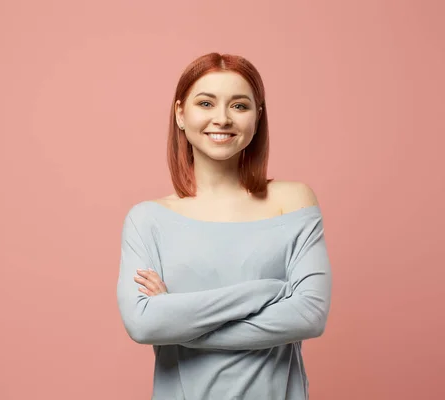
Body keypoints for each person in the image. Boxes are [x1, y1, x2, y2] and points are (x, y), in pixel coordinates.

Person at [116, 52, 332, 400]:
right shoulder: (148, 219)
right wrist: (269, 292)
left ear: (257, 117)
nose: (222, 118)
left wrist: (178, 319)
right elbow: (144, 324)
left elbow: (309, 316)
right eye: (206, 102)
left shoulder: (292, 201)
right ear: (180, 114)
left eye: (239, 106)